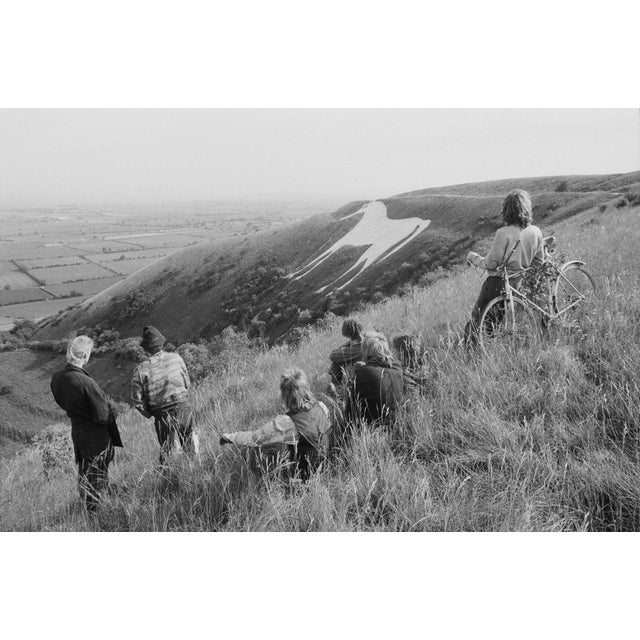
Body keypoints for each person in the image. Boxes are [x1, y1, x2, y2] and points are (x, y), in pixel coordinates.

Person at [464, 189, 544, 347]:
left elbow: (490, 264)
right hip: (517, 286)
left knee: (477, 319)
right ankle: (488, 345)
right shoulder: (535, 232)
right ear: (527, 209)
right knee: (495, 319)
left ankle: (471, 351)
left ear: (507, 210)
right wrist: (521, 270)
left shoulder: (503, 233)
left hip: (498, 283)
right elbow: (538, 262)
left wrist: (472, 257)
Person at [50, 335, 122, 512]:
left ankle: (92, 507)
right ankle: (95, 514)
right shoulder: (86, 382)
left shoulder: (57, 378)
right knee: (97, 474)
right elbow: (103, 415)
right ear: (85, 356)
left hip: (78, 430)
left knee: (86, 472)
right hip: (95, 434)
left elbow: (61, 401)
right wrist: (111, 409)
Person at [220, 368, 331, 480]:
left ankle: (274, 482)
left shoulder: (287, 421)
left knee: (249, 451)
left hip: (302, 477)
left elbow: (254, 438)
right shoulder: (321, 406)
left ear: (285, 394)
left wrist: (229, 437)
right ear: (306, 388)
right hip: (325, 466)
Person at [131, 326, 195, 463]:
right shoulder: (176, 359)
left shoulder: (141, 370)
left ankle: (168, 480)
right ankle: (193, 472)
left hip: (161, 413)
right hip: (181, 403)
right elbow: (186, 382)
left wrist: (149, 413)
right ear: (161, 343)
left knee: (167, 451)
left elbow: (137, 400)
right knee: (188, 443)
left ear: (146, 348)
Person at [350, 331, 406, 427]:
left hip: (374, 428)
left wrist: (355, 376)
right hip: (397, 423)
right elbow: (382, 370)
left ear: (365, 352)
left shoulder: (364, 372)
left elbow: (352, 407)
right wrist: (367, 366)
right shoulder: (397, 368)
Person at [328, 318, 363, 390]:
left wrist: (341, 349)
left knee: (337, 361)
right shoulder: (362, 339)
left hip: (356, 376)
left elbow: (332, 356)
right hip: (356, 370)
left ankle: (336, 388)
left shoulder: (356, 349)